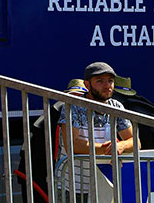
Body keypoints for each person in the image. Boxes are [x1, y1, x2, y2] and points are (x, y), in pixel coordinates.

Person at [57, 62, 136, 202]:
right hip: (73, 187)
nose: (107, 85)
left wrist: (120, 146)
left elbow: (135, 141)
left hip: (104, 186)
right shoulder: (73, 106)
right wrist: (108, 149)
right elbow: (72, 145)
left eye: (110, 81)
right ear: (87, 85)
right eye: (100, 81)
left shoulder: (116, 106)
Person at [16, 79, 86, 203]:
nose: (76, 100)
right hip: (37, 172)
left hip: (44, 172)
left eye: (80, 96)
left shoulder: (65, 110)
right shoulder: (59, 111)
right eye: (74, 95)